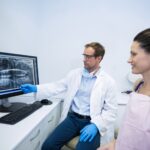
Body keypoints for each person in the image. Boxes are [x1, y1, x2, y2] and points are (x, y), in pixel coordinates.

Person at [21, 42, 118, 150]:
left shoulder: (108, 82)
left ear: (99, 58)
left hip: (92, 121)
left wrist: (96, 125)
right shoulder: (74, 74)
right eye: (84, 55)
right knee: (48, 146)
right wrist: (36, 88)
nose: (84, 59)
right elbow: (57, 86)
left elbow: (111, 110)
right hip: (72, 119)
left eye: (88, 56)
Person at [99, 28, 150, 150]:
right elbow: (130, 129)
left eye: (134, 54)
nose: (129, 59)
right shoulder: (138, 85)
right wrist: (115, 143)